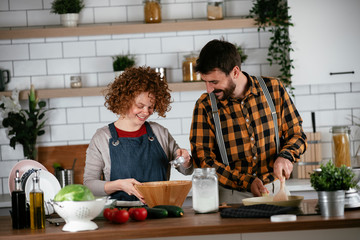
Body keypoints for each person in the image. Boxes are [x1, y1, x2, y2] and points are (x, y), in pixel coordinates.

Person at [190, 39, 307, 203]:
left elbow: (297, 134)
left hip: (276, 191)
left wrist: (286, 156)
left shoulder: (273, 89)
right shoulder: (205, 106)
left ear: (235, 72)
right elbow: (204, 160)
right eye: (205, 81)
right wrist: (246, 181)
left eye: (214, 82)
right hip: (230, 198)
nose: (208, 89)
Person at [84, 66, 193, 203]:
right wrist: (119, 185)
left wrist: (186, 160)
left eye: (150, 107)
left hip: (160, 210)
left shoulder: (159, 133)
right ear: (125, 100)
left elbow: (186, 170)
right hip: (120, 216)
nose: (146, 112)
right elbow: (89, 185)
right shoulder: (102, 137)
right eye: (140, 106)